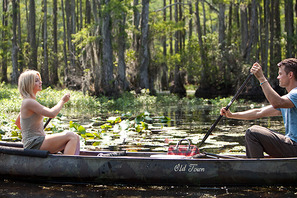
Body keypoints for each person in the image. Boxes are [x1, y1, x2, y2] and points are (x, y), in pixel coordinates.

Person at [220, 58, 297, 158]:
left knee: (253, 133)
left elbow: (277, 102)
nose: (278, 77)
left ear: (290, 75)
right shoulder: (288, 100)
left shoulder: (295, 94)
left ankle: (255, 170)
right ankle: (256, 166)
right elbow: (259, 112)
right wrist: (232, 115)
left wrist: (261, 79)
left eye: (280, 74)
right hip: (291, 146)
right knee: (253, 132)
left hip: (294, 147)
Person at [15, 70, 80, 155]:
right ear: (29, 84)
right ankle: (67, 165)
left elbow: (17, 122)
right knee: (71, 136)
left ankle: (73, 161)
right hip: (34, 144)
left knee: (76, 137)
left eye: (39, 80)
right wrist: (62, 101)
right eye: (36, 81)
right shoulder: (29, 102)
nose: (40, 82)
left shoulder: (28, 101)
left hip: (37, 141)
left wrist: (34, 131)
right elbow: (52, 114)